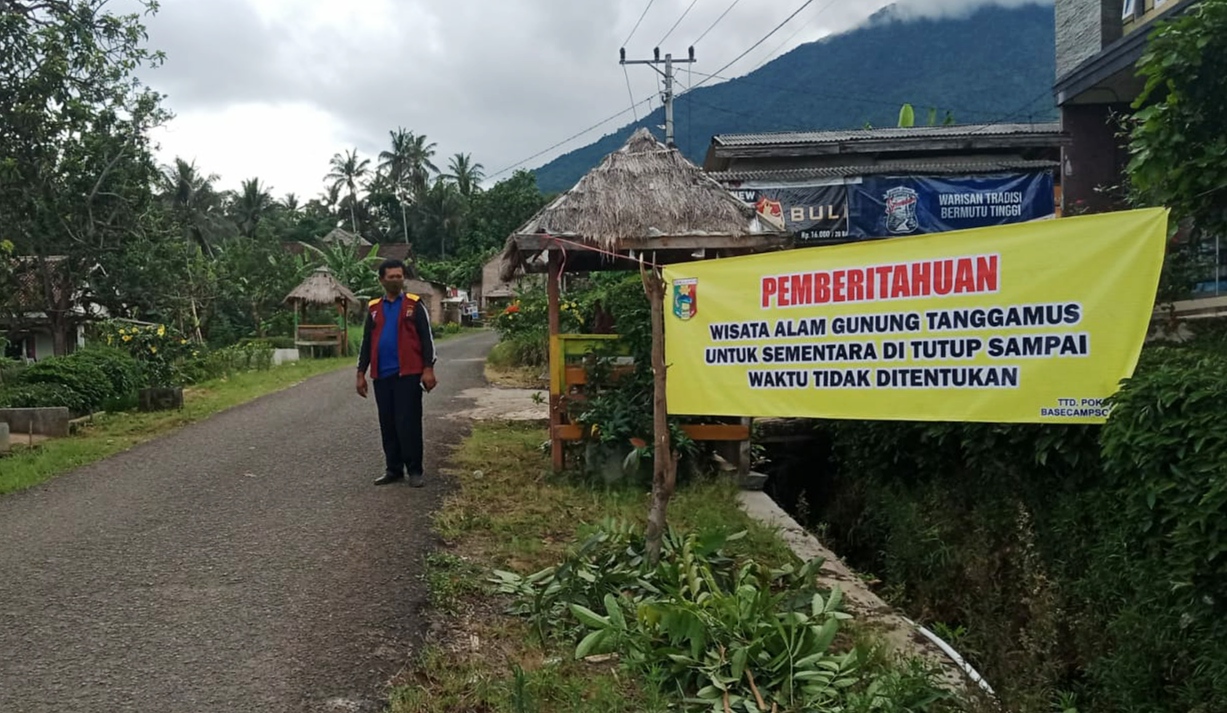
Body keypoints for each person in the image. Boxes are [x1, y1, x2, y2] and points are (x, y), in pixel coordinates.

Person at [356, 259, 438, 486]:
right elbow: (366, 343)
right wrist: (361, 373)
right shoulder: (374, 308)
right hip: (382, 376)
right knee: (388, 423)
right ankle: (393, 469)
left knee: (409, 422)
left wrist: (428, 369)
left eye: (399, 276)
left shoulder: (414, 304)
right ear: (381, 280)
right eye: (391, 277)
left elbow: (426, 338)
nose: (395, 280)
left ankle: (414, 470)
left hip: (409, 375)